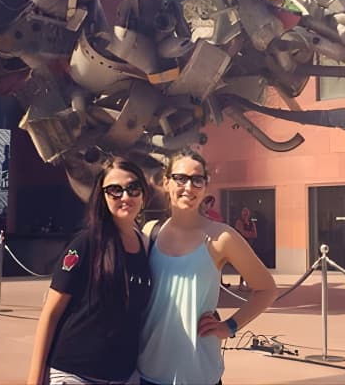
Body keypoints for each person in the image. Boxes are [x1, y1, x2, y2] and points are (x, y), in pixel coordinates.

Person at [138, 148, 277, 385]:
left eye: (197, 180)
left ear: (205, 186)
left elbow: (267, 289)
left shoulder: (221, 237)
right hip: (148, 371)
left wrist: (230, 326)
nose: (188, 187)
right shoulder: (150, 231)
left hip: (198, 374)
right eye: (180, 178)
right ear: (166, 182)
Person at [27, 158, 152, 385]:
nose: (125, 197)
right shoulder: (86, 243)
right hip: (75, 374)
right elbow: (51, 313)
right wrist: (34, 380)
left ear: (143, 193)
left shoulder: (146, 245)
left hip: (124, 376)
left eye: (133, 188)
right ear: (102, 196)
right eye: (115, 190)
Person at [234, 206, 258, 290]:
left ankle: (248, 282)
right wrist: (249, 233)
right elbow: (243, 233)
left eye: (247, 212)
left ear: (249, 213)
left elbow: (255, 235)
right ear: (241, 213)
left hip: (250, 246)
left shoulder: (252, 223)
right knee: (243, 265)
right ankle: (241, 284)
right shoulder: (239, 222)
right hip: (241, 246)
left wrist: (248, 233)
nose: (245, 213)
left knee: (249, 265)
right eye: (244, 211)